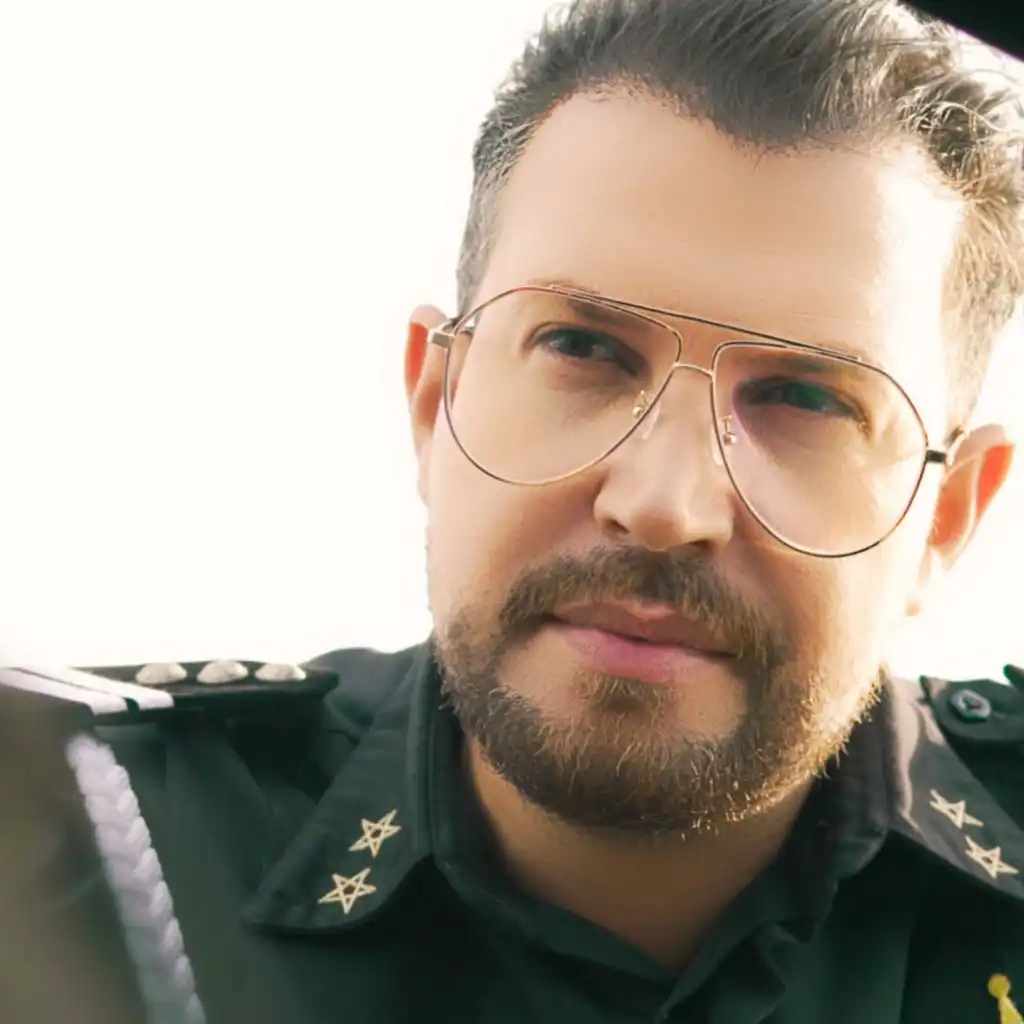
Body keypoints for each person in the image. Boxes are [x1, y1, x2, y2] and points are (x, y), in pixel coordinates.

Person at [7, 0, 1024, 1020]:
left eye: (805, 398)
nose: (662, 505)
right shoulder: (59, 861)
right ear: (435, 400)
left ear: (947, 515)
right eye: (584, 349)